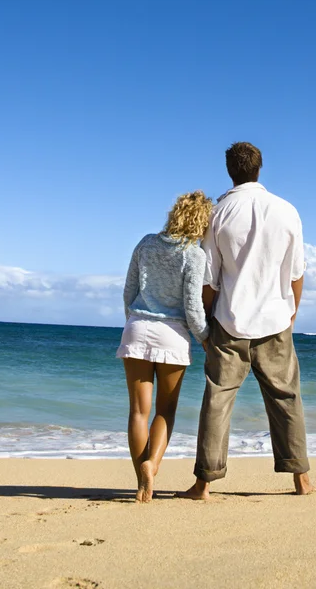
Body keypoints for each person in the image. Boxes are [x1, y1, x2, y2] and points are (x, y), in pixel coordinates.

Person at [180, 142, 315, 500]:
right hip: (275, 317)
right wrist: (292, 313)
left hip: (230, 318)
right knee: (286, 398)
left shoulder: (220, 212)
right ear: (260, 168)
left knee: (218, 399)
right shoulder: (287, 211)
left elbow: (209, 277)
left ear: (230, 170)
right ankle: (301, 480)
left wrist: (207, 322)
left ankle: (203, 484)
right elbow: (297, 272)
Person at [116, 191, 212, 503]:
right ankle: (152, 466)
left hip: (137, 328)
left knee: (138, 412)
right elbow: (193, 307)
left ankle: (141, 483)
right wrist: (206, 339)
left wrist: (134, 321)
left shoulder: (145, 243)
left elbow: (129, 291)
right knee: (165, 411)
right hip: (172, 335)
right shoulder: (194, 255)